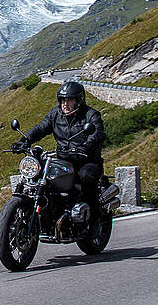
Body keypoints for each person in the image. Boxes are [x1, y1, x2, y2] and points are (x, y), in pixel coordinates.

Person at [14, 80, 106, 211]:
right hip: (64, 159)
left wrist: (86, 146)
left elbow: (97, 133)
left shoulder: (91, 115)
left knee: (86, 177)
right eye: (63, 100)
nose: (65, 103)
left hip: (87, 160)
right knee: (45, 176)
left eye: (69, 100)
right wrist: (23, 141)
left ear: (79, 100)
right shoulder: (55, 114)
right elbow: (40, 128)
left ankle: (93, 219)